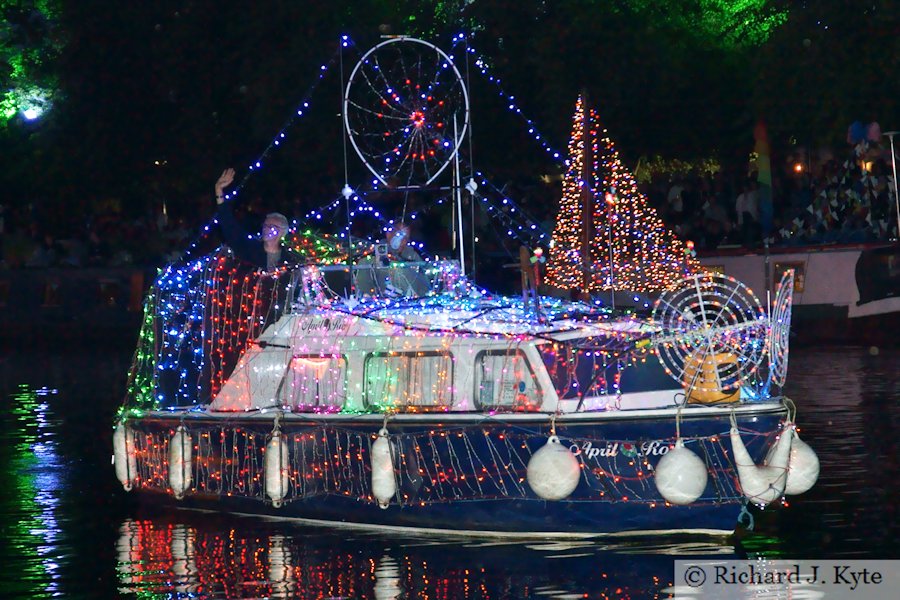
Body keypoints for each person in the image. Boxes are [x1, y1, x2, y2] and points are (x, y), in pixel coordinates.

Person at [214, 168, 293, 271]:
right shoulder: (249, 248)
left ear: (282, 232)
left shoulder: (290, 258)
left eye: (271, 227)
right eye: (265, 225)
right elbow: (229, 225)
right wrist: (218, 190)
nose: (265, 229)